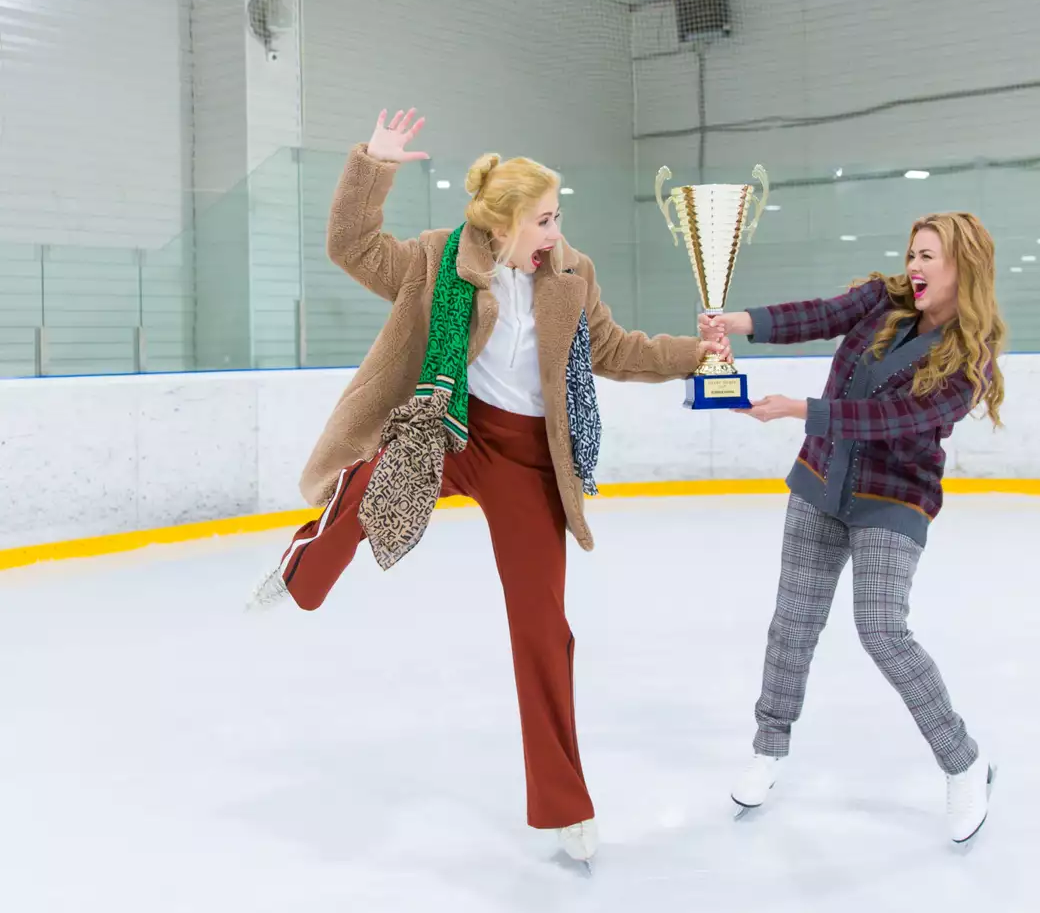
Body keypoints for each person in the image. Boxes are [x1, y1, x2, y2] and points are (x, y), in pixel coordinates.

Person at [246, 108, 729, 867]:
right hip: (449, 423)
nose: (556, 232)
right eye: (544, 219)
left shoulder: (571, 275)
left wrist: (693, 355)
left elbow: (613, 348)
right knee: (372, 479)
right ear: (501, 226)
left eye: (558, 216)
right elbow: (351, 246)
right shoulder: (436, 260)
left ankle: (564, 803)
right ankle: (302, 570)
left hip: (529, 460)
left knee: (543, 630)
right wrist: (374, 164)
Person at [699, 211, 1006, 847]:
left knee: (883, 630)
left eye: (928, 257)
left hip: (893, 498)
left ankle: (964, 763)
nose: (914, 266)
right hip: (820, 483)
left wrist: (800, 409)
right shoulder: (883, 301)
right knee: (793, 622)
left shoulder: (968, 362)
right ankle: (768, 748)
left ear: (963, 268)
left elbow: (889, 419)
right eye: (912, 253)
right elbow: (818, 315)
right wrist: (738, 323)